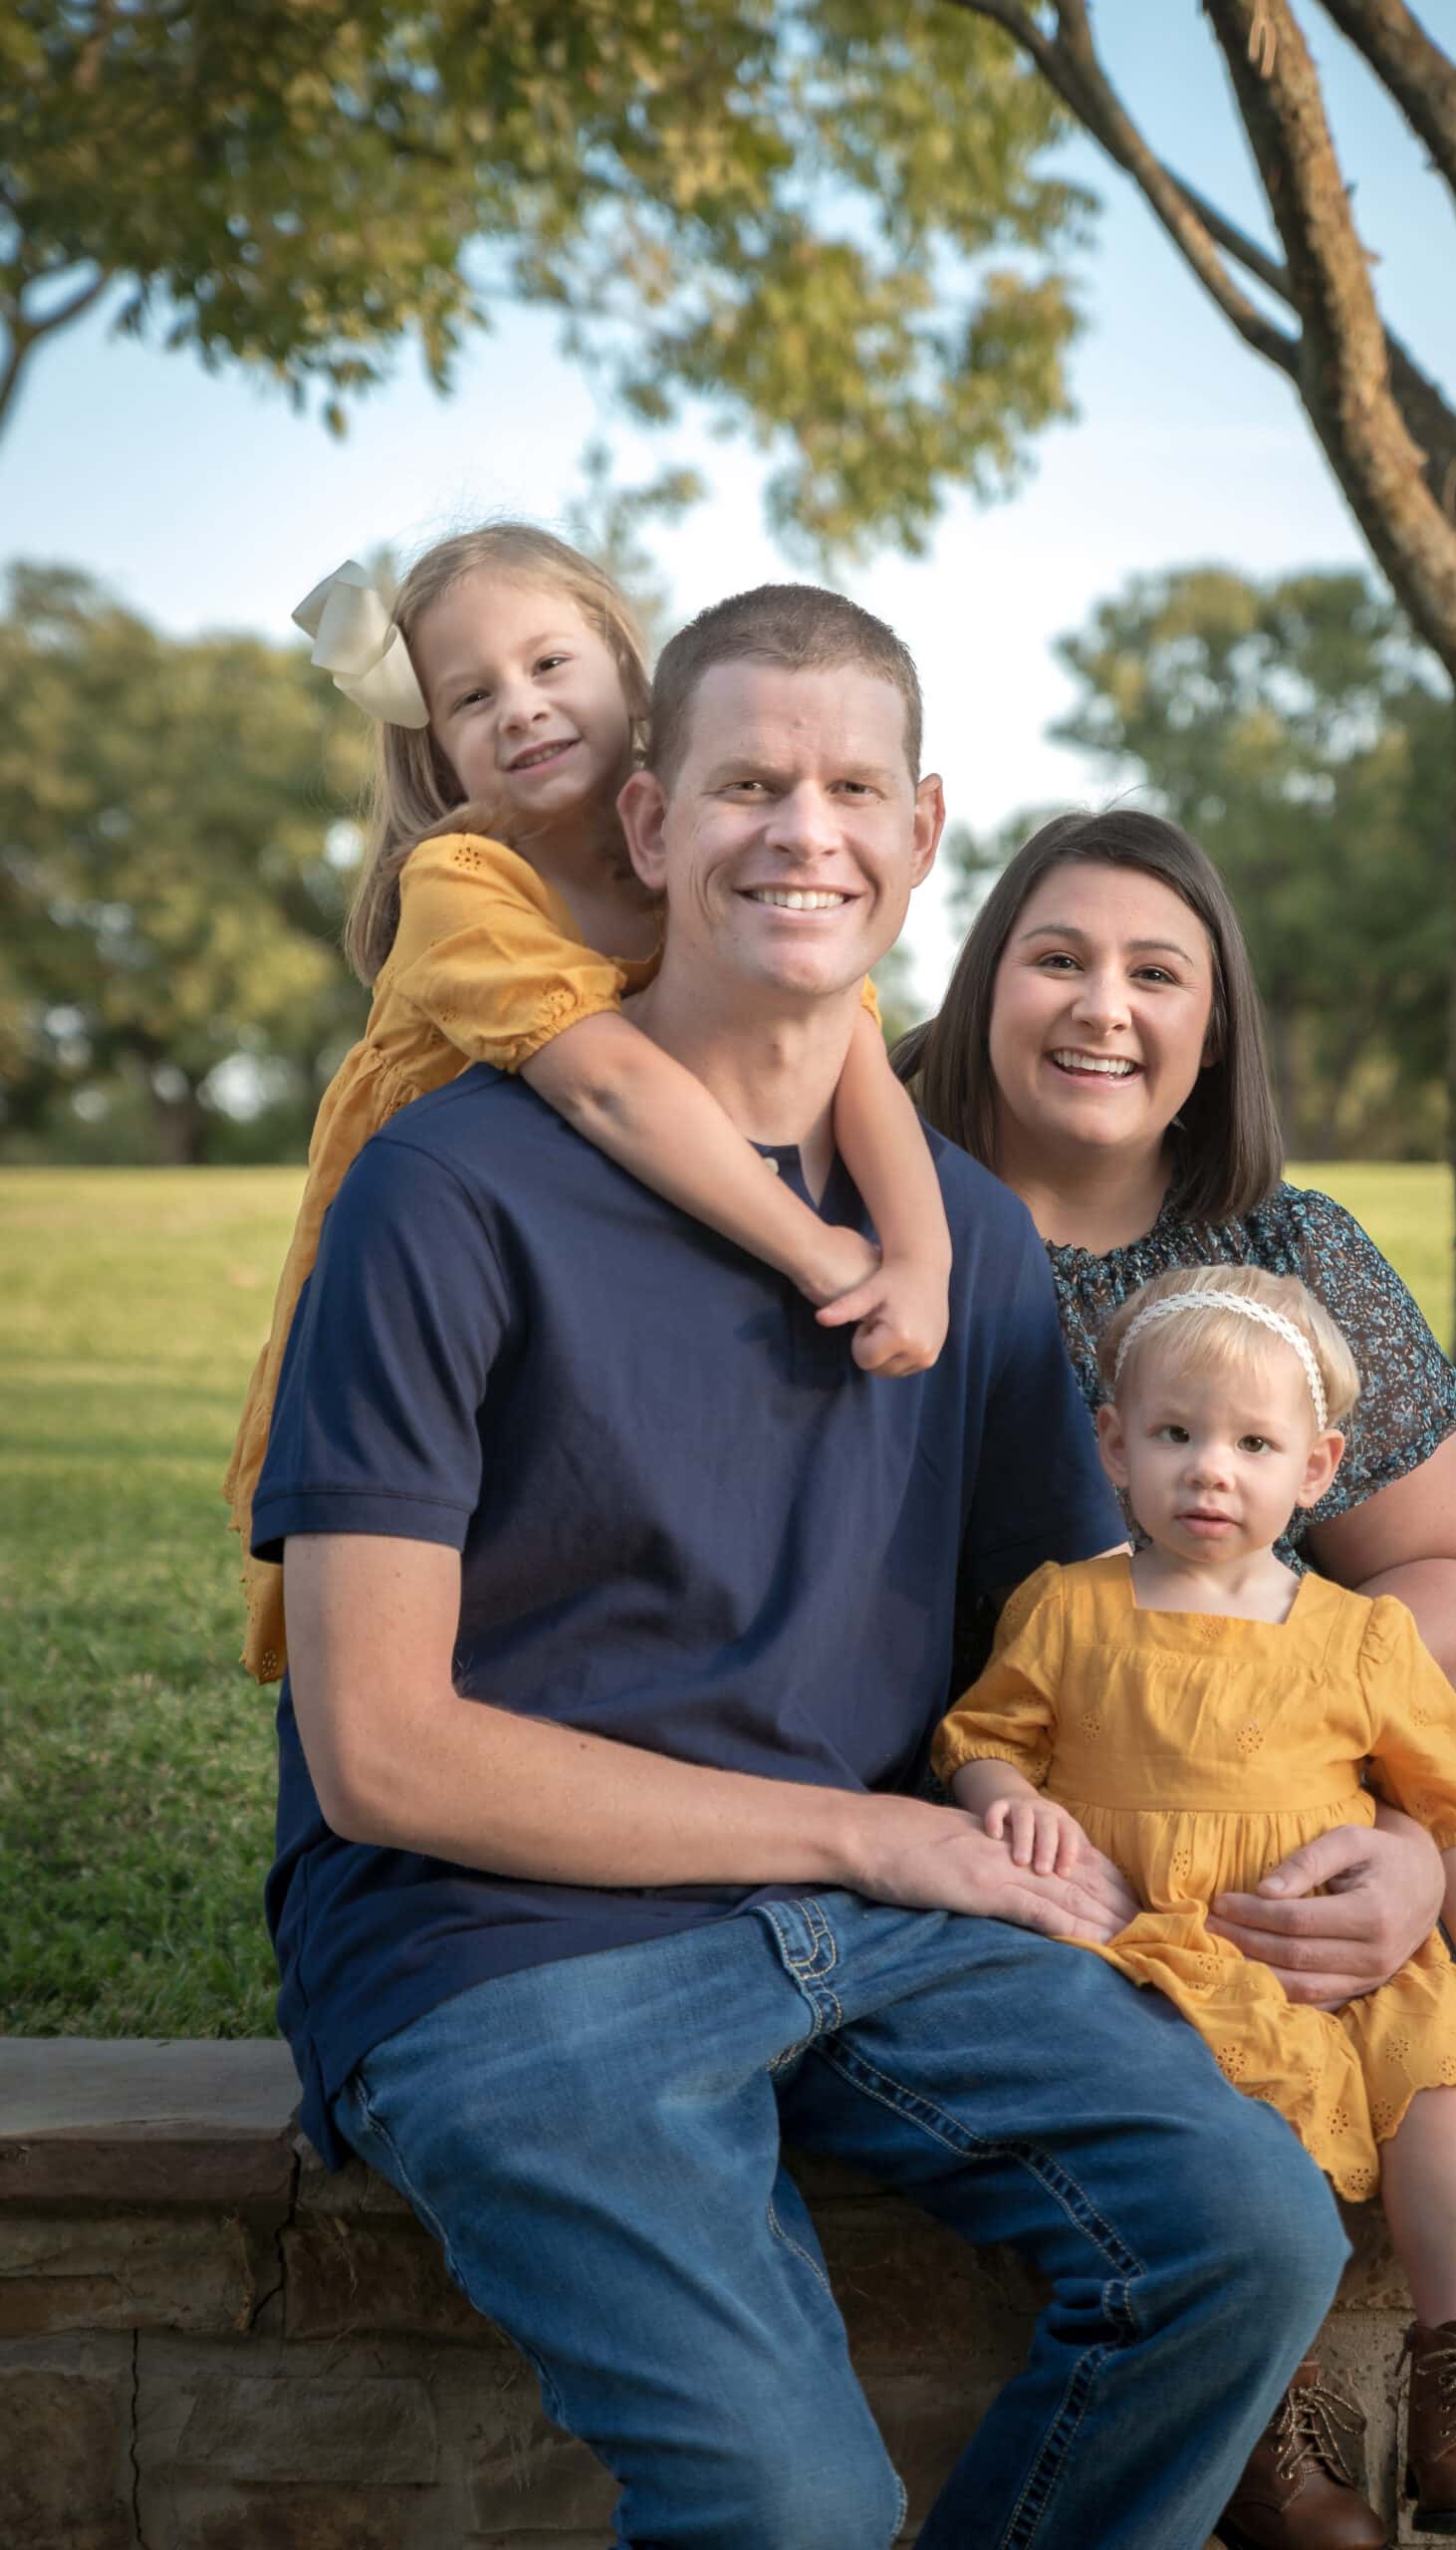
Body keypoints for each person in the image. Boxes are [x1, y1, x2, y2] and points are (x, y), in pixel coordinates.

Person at [253, 585, 1350, 2550]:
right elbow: (380, 1756)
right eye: (749, 782)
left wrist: (1367, 1849)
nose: (803, 831)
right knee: (789, 2498)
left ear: (924, 833)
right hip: (496, 1938)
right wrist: (862, 1838)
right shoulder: (443, 1191)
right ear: (651, 822)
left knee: (1248, 2237)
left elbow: (1070, 1662)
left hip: (883, 1917)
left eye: (851, 787)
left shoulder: (978, 1252)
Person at [895, 807, 1456, 2054]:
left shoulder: (1292, 1245)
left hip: (1382, 1742)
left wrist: (1393, 1821)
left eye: (1155, 974)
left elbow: (1442, 1567)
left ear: (1212, 1034)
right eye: (1057, 960)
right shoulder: (888, 1235)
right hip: (1084, 1791)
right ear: (982, 986)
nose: (1103, 1007)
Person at [225, 525, 949, 1682]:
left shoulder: (699, 859)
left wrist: (918, 1258)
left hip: (625, 1226)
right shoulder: (464, 883)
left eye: (549, 664)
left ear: (627, 670)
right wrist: (819, 1250)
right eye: (471, 697)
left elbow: (856, 1046)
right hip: (446, 1258)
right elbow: (607, 1086)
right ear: (435, 749)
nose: (519, 707)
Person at [937, 1263, 1456, 2545]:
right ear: (1114, 1443)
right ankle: (1273, 2412)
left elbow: (1448, 1808)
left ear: (1316, 1467)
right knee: (1225, 2150)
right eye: (1174, 1434)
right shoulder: (1068, 1607)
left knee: (1438, 2098)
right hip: (1169, 1955)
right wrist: (1011, 1796)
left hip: (1351, 1960)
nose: (1209, 1471)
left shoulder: (1359, 1636)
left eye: (1252, 1443)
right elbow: (979, 1737)